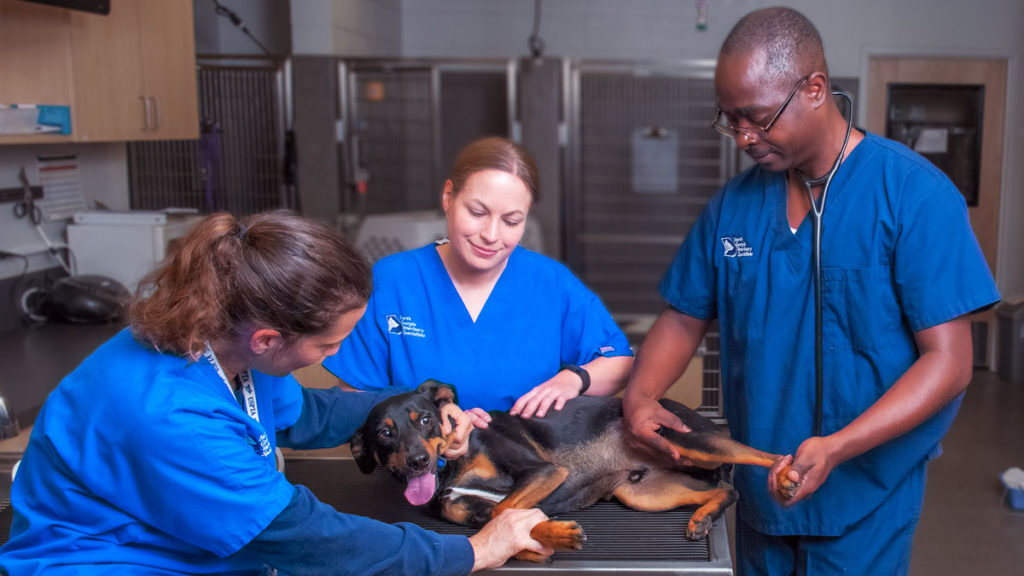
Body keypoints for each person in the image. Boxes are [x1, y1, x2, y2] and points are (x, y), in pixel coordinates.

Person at [621, 7, 1000, 576]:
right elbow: (684, 316)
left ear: (815, 89)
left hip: (865, 492)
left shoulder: (913, 196)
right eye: (730, 121)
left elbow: (949, 364)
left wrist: (839, 446)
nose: (744, 137)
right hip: (760, 489)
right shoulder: (734, 206)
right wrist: (641, 396)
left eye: (757, 118)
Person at [0, 211, 553, 575]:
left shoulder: (221, 338)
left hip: (187, 547)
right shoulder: (170, 414)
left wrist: (420, 405)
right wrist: (473, 550)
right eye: (329, 344)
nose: (336, 355)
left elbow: (307, 412)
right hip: (111, 563)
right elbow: (297, 534)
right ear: (269, 338)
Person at [323, 136, 633, 419]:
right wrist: (426, 430)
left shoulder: (550, 283)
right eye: (477, 212)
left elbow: (620, 361)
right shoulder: (394, 280)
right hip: (420, 469)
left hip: (526, 469)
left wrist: (574, 379)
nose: (491, 235)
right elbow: (356, 396)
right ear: (448, 197)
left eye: (512, 221)